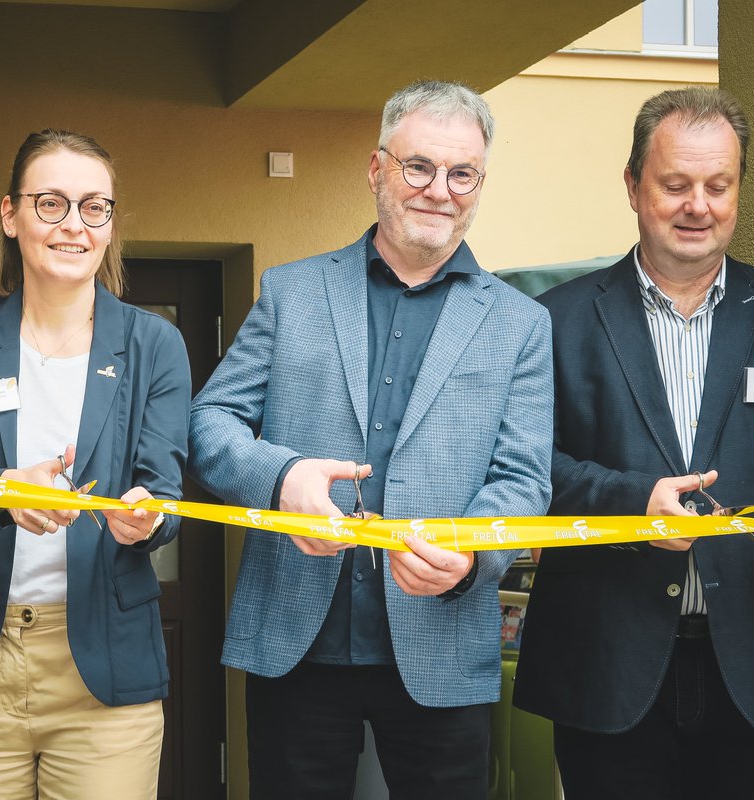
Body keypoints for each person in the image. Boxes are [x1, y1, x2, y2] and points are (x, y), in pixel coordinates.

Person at [189, 80, 553, 799]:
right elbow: (208, 425)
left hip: (441, 645)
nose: (439, 190)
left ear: (480, 182)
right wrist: (283, 478)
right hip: (297, 642)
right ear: (376, 169)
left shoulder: (520, 324)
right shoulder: (291, 293)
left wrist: (471, 552)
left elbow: (524, 478)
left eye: (462, 174)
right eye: (419, 166)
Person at [514, 87, 754, 800]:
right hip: (604, 663)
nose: (699, 206)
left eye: (718, 186)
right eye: (676, 184)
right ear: (633, 186)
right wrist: (633, 500)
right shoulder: (551, 322)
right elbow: (525, 467)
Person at [0, 128, 189, 799]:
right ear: (11, 216)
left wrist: (144, 520)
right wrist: (2, 492)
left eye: (95, 207)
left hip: (106, 665)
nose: (75, 225)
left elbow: (164, 493)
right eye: (52, 204)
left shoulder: (154, 343)